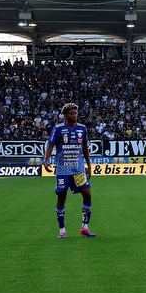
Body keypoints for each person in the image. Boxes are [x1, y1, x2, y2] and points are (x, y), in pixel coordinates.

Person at [43, 102, 95, 238]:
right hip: (63, 170)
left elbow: (85, 148)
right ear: (65, 116)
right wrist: (46, 161)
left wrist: (89, 166)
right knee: (62, 198)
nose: (74, 115)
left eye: (75, 113)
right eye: (71, 113)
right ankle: (62, 230)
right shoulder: (58, 129)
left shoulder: (82, 129)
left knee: (88, 194)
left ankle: (85, 228)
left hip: (78, 169)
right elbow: (50, 145)